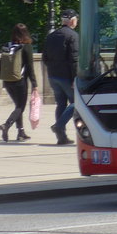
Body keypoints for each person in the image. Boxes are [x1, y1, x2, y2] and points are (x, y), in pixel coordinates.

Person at [0, 24, 38, 141]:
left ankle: (21, 132)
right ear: (26, 33)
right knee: (20, 107)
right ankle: (6, 125)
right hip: (19, 81)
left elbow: (0, 64)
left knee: (18, 106)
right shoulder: (26, 47)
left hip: (7, 81)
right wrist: (34, 84)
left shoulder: (7, 45)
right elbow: (30, 67)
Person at [44, 9, 79, 146]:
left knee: (60, 104)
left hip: (53, 75)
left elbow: (45, 57)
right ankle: (59, 125)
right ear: (72, 20)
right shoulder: (73, 36)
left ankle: (61, 137)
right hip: (66, 76)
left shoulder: (51, 36)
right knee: (76, 103)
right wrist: (75, 78)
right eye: (76, 19)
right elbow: (74, 59)